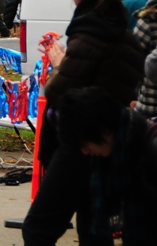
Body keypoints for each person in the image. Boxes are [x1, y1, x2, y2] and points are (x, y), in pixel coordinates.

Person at [22, 0, 144, 246]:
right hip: (106, 143)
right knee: (93, 229)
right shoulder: (122, 32)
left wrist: (58, 62)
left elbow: (60, 90)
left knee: (38, 228)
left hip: (78, 141)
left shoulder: (89, 32)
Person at [56, 87, 157, 245]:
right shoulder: (118, 150)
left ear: (105, 131)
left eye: (85, 143)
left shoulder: (149, 146)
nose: (85, 151)